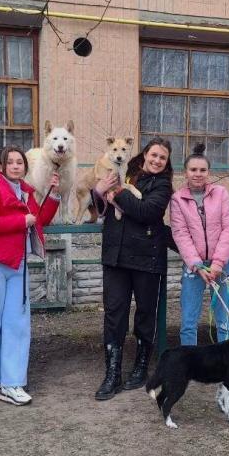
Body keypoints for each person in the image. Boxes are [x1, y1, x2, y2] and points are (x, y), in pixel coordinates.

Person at [0, 146, 60, 406]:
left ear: (24, 167)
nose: (15, 166)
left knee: (17, 324)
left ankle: (12, 382)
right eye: (9, 162)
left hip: (17, 265)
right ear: (0, 166)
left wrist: (53, 194)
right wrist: (22, 221)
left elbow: (39, 219)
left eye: (19, 162)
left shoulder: (26, 192)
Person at [92, 137, 173, 400]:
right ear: (145, 154)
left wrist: (117, 191)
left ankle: (140, 368)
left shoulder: (163, 185)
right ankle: (112, 373)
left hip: (147, 257)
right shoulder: (124, 172)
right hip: (115, 255)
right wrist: (98, 191)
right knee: (114, 313)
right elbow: (100, 208)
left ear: (166, 162)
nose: (157, 160)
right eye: (154, 155)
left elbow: (146, 211)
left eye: (162, 157)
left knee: (145, 314)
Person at [170, 143, 229, 345]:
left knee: (224, 318)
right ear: (185, 172)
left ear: (208, 172)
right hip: (194, 266)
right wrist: (197, 265)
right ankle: (188, 359)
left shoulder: (221, 193)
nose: (198, 174)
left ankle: (226, 359)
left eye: (202, 170)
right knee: (189, 320)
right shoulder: (177, 199)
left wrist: (217, 263)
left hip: (223, 264)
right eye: (193, 170)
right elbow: (180, 234)